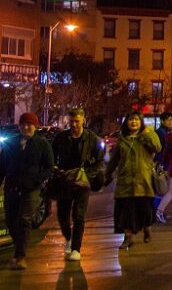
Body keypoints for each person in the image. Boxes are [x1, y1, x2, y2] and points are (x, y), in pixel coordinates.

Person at [0, 112, 53, 270]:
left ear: (35, 126)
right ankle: (19, 250)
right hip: (12, 189)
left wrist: (36, 180)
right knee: (11, 220)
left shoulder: (42, 144)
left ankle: (21, 256)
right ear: (19, 126)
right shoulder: (11, 144)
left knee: (24, 220)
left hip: (31, 190)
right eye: (23, 124)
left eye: (29, 124)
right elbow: (1, 169)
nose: (25, 127)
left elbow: (49, 168)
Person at [51, 108, 103, 261]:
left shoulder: (92, 138)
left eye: (77, 121)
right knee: (62, 214)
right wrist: (55, 168)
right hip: (64, 180)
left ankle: (76, 248)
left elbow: (99, 161)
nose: (74, 124)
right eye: (71, 121)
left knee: (79, 215)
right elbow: (52, 156)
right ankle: (68, 238)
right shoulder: (60, 138)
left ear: (83, 121)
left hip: (82, 182)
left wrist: (87, 175)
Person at [105, 111, 160, 250]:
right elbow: (114, 159)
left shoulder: (148, 135)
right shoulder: (123, 139)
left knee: (145, 210)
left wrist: (146, 134)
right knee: (125, 211)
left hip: (143, 180)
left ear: (141, 122)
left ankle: (147, 228)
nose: (133, 122)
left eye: (136, 120)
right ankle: (128, 237)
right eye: (130, 120)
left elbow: (157, 147)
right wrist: (107, 173)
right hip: (126, 181)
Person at [154, 113, 172, 224]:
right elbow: (161, 151)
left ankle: (159, 211)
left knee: (165, 190)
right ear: (162, 121)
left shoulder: (166, 133)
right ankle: (158, 212)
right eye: (169, 120)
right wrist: (162, 165)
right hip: (164, 165)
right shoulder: (161, 133)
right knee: (163, 190)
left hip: (166, 165)